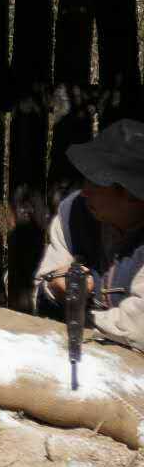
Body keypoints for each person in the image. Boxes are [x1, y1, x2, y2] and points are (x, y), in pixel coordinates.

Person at [35, 119, 144, 349]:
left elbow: (137, 328)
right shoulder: (73, 212)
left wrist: (83, 313)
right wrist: (56, 286)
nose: (84, 191)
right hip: (76, 351)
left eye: (96, 183)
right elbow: (43, 284)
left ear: (132, 196)